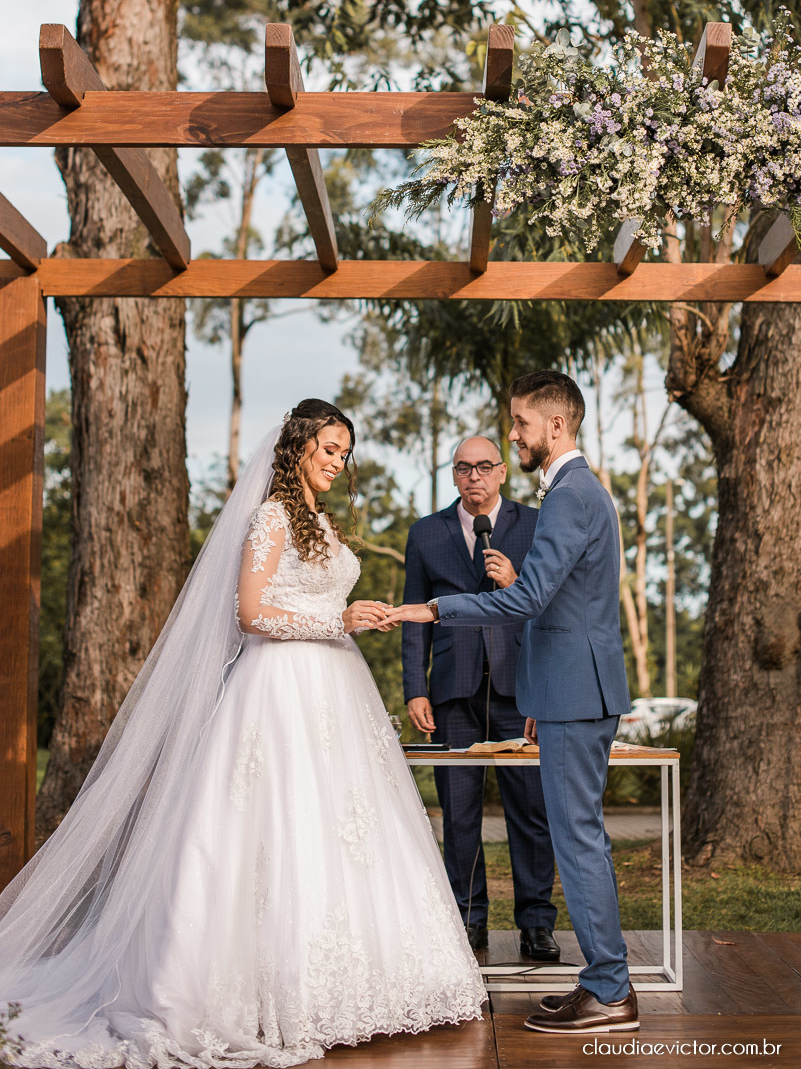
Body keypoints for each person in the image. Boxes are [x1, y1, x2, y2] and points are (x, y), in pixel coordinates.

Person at [0, 399, 486, 1069]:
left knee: (343, 829)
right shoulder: (270, 516)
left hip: (335, 690)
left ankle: (360, 984)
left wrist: (356, 617)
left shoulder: (318, 520)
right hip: (278, 691)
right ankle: (261, 988)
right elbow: (252, 612)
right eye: (328, 449)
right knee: (274, 827)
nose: (336, 462)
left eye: (344, 452)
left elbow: (312, 601)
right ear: (295, 449)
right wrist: (334, 620)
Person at [388, 371, 639, 1036]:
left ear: (555, 426)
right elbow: (558, 603)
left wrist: (436, 607)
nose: (514, 434)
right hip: (566, 689)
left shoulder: (569, 495)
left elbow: (527, 599)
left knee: (576, 838)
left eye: (520, 423)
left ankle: (610, 990)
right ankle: (601, 982)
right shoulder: (579, 493)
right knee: (579, 834)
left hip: (574, 693)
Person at [402, 435, 558, 961]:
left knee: (531, 812)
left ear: (501, 473)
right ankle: (468, 922)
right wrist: (415, 689)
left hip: (523, 691)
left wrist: (516, 581)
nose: (475, 476)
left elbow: (553, 608)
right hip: (454, 691)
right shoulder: (426, 534)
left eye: (484, 466)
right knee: (460, 813)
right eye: (464, 468)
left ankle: (537, 924)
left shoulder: (536, 526)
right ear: (453, 475)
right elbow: (414, 619)